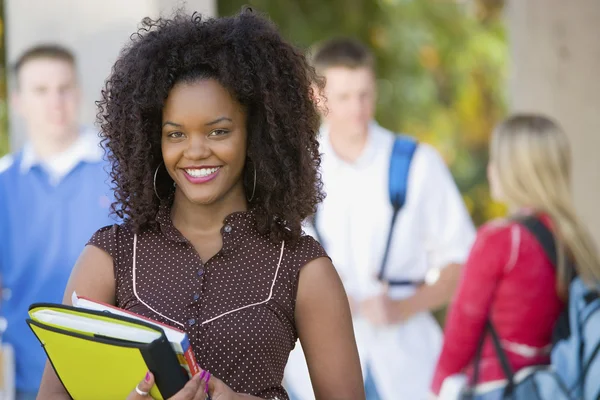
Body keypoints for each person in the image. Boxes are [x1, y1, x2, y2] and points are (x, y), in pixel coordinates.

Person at [36, 9, 364, 400]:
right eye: (175, 134)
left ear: (255, 133)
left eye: (218, 131)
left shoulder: (300, 266)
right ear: (153, 141)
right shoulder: (112, 255)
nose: (195, 151)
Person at [283, 38, 476, 400]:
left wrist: (403, 307)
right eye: (343, 97)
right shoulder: (295, 173)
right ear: (316, 96)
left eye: (365, 94)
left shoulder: (419, 163)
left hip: (405, 366)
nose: (357, 108)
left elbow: (462, 264)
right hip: (311, 374)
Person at [429, 114, 600, 399]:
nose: (490, 169)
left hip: (499, 388)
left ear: (517, 172)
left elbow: (463, 327)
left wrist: (436, 388)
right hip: (555, 387)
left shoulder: (500, 239)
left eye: (498, 160)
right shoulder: (575, 239)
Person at [0, 44, 115, 400]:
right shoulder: (3, 183)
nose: (55, 101)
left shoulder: (122, 170)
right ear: (18, 101)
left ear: (78, 92)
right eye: (40, 90)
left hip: (115, 375)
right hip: (28, 382)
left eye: (64, 88)